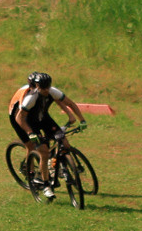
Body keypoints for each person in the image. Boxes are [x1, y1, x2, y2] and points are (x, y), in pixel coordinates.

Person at [8, 70, 86, 200]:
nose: (45, 90)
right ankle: (43, 182)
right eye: (43, 88)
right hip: (27, 121)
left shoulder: (53, 91)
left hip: (43, 117)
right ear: (37, 86)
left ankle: (60, 165)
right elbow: (19, 118)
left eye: (47, 87)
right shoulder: (30, 98)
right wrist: (30, 133)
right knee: (41, 151)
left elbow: (70, 103)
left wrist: (81, 120)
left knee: (64, 142)